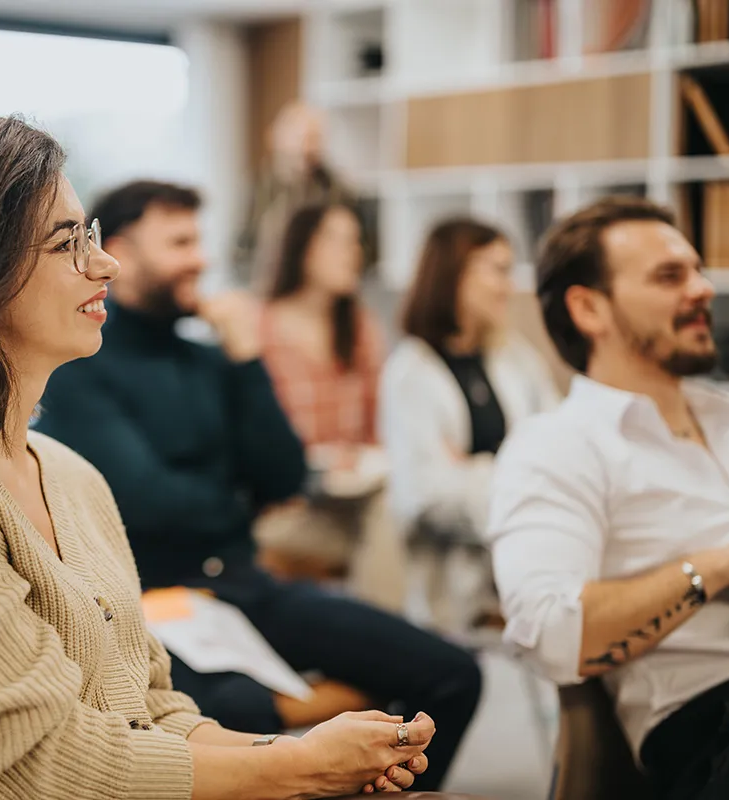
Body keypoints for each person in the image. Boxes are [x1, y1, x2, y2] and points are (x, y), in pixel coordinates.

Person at [0, 116, 436, 800]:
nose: (105, 264)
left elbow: (153, 713)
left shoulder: (68, 473)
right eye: (69, 244)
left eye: (89, 236)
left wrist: (302, 756)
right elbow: (40, 764)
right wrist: (298, 768)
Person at [36, 179, 480, 792]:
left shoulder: (212, 361)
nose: (202, 259)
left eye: (200, 240)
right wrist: (237, 502)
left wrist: (247, 357)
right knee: (238, 711)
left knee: (451, 672)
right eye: (181, 242)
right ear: (126, 253)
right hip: (154, 600)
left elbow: (286, 474)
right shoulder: (81, 363)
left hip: (245, 585)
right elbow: (141, 501)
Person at [486, 197, 729, 800]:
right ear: (589, 307)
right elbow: (548, 631)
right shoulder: (556, 447)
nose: (702, 289)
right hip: (723, 735)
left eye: (697, 270)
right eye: (670, 276)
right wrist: (724, 566)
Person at [384, 217, 559, 632]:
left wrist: (473, 470)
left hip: (527, 550)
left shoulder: (514, 356)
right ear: (454, 274)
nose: (509, 286)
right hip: (452, 578)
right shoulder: (411, 372)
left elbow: (557, 448)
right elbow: (425, 496)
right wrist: (517, 479)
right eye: (497, 270)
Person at [255, 202, 401, 610]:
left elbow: (381, 428)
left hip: (355, 498)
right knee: (393, 535)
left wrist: (361, 456)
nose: (352, 252)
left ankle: (389, 644)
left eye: (355, 241)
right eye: (336, 240)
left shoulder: (360, 328)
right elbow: (251, 441)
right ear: (301, 247)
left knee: (398, 514)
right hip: (285, 507)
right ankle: (386, 644)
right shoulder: (258, 330)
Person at [234, 102, 361, 289]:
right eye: (302, 138)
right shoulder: (256, 189)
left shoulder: (338, 193)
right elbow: (240, 250)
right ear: (275, 139)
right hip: (265, 290)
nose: (309, 148)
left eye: (316, 139)